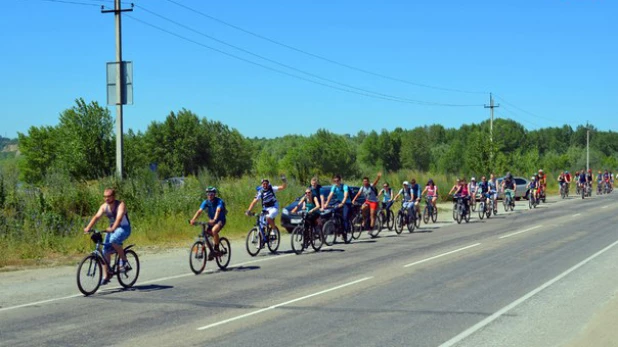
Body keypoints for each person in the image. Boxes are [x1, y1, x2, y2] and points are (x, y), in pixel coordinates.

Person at [83, 188, 131, 285]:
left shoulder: (120, 205)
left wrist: (113, 228)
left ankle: (123, 261)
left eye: (108, 197)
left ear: (113, 196)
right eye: (105, 197)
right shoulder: (104, 207)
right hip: (112, 228)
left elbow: (119, 218)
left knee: (114, 240)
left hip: (124, 228)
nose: (106, 199)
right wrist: (88, 227)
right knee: (105, 250)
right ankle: (106, 276)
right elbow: (96, 217)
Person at [190, 186, 226, 260]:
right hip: (212, 220)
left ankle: (216, 248)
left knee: (214, 230)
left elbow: (218, 210)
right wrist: (193, 219)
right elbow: (199, 211)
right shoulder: (206, 202)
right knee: (205, 234)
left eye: (211, 193)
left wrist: (215, 219)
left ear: (215, 194)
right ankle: (212, 251)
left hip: (220, 220)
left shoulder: (219, 201)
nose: (210, 195)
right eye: (208, 193)